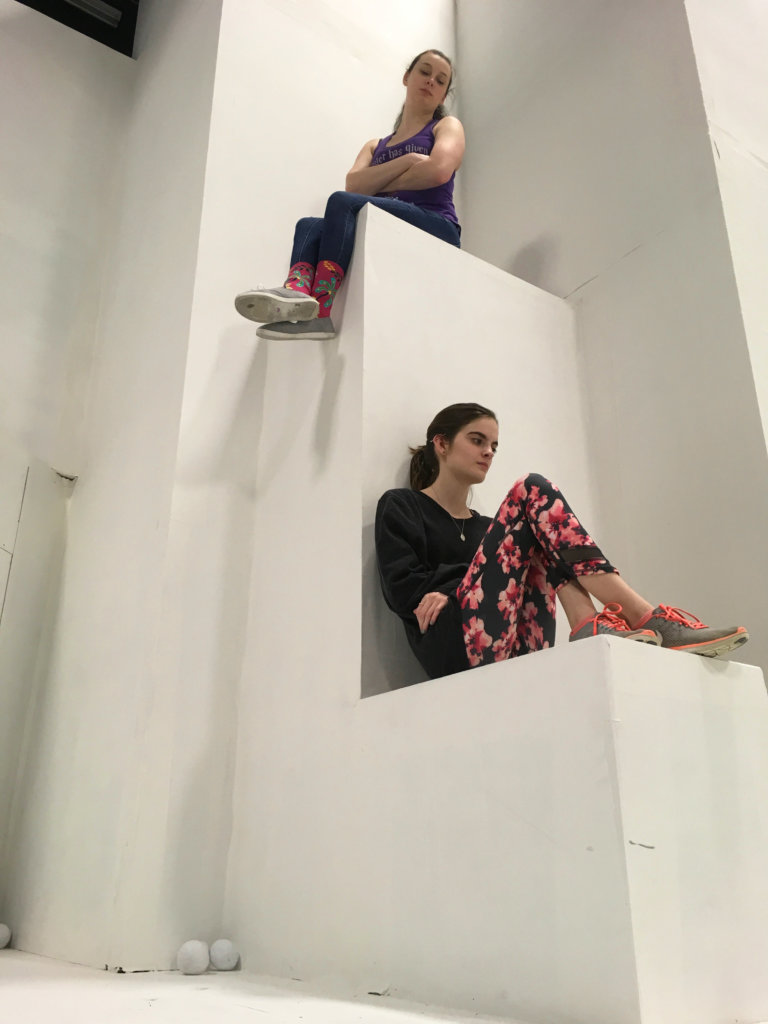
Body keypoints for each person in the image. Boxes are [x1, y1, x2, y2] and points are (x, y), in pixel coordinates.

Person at [375, 402, 749, 680]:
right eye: (477, 440)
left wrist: (454, 585)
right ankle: (645, 616)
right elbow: (401, 587)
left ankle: (586, 622)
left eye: (494, 445)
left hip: (517, 648)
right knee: (531, 489)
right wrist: (451, 590)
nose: (488, 451)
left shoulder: (488, 529)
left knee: (544, 532)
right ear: (441, 444)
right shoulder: (403, 505)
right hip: (454, 647)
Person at [234, 49, 464, 341]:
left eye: (441, 80)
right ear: (407, 77)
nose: (431, 81)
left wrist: (378, 183)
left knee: (341, 203)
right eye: (425, 71)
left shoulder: (446, 126)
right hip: (389, 221)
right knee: (308, 226)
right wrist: (407, 162)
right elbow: (354, 186)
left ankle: (321, 312)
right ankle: (296, 293)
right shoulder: (375, 146)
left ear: (443, 96)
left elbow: (438, 171)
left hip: (437, 224)